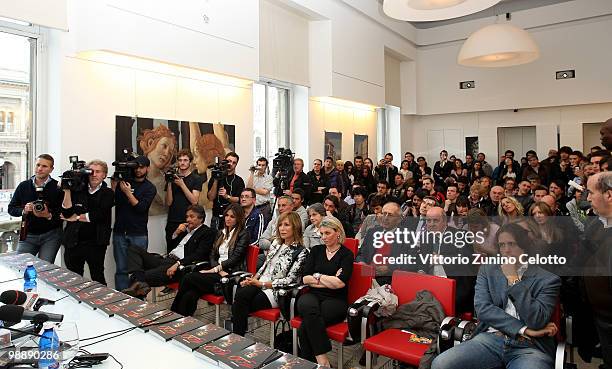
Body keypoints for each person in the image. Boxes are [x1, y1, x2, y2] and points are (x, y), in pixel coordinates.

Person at [431, 223, 562, 369]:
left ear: (524, 246)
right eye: (502, 245)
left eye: (511, 244)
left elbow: (536, 320)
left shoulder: (548, 279)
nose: (506, 250)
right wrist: (523, 329)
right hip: (490, 339)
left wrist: (514, 280)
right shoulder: (488, 270)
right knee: (441, 364)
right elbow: (483, 309)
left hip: (530, 347)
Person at [231, 212, 308, 336]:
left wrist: (261, 283)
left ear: (296, 227)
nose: (282, 228)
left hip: (277, 291)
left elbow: (290, 281)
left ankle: (237, 337)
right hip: (260, 282)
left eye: (286, 225)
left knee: (240, 305)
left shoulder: (301, 252)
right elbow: (265, 266)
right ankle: (238, 336)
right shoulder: (276, 244)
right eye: (280, 225)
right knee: (241, 294)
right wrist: (252, 279)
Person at [171, 203, 249, 316]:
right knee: (191, 293)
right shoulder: (221, 233)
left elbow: (235, 258)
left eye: (232, 216)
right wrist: (216, 268)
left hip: (229, 275)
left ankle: (174, 314)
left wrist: (217, 269)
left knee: (188, 278)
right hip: (217, 271)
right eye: (227, 215)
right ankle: (182, 320)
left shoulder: (243, 234)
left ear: (239, 218)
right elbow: (212, 254)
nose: (228, 218)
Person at [122, 205, 217, 297]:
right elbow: (170, 246)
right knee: (133, 249)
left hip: (177, 265)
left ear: (201, 218)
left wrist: (178, 264)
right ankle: (140, 282)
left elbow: (199, 254)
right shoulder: (185, 231)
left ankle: (138, 291)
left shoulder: (207, 232)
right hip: (165, 259)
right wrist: (177, 232)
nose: (188, 220)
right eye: (187, 217)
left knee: (137, 278)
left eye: (192, 217)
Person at [297, 216, 354, 366]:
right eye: (321, 234)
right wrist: (328, 280)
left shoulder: (346, 254)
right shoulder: (316, 251)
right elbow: (305, 279)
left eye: (327, 233)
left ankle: (310, 363)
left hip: (336, 300)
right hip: (312, 295)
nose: (323, 237)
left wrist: (317, 276)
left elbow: (340, 284)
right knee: (309, 309)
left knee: (305, 326)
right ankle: (322, 361)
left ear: (338, 233)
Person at [61, 159, 114, 284]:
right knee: (73, 278)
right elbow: (67, 213)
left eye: (98, 172)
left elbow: (99, 214)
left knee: (97, 276)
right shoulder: (78, 190)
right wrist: (67, 189)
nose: (94, 174)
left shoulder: (108, 193)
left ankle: (101, 303)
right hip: (74, 241)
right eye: (91, 171)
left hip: (96, 243)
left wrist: (78, 217)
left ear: (104, 175)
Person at [111, 155, 157, 290]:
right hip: (120, 231)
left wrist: (128, 192)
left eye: (141, 167)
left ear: (147, 168)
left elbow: (140, 208)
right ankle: (121, 297)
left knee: (138, 270)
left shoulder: (150, 188)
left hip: (138, 233)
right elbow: (116, 202)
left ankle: (138, 298)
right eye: (136, 167)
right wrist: (116, 187)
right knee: (121, 269)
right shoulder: (123, 183)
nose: (138, 170)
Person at [8, 154, 63, 263]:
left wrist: (48, 215)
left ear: (51, 169)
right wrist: (24, 210)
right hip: (28, 235)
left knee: (45, 270)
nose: (40, 169)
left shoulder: (58, 187)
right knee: (20, 266)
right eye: (38, 165)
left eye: (44, 166)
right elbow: (11, 209)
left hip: (51, 236)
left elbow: (64, 214)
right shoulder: (23, 186)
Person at [583, 172, 612, 369]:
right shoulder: (596, 225)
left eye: (591, 192)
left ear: (609, 195)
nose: (587, 198)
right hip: (601, 318)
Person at [165, 149, 204, 253]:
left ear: (190, 162)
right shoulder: (172, 177)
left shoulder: (196, 179)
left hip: (188, 222)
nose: (182, 162)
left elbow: (194, 201)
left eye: (185, 160)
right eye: (180, 160)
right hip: (172, 221)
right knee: (171, 251)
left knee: (186, 252)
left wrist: (182, 185)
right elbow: (168, 202)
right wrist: (169, 183)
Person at [138, 125, 177, 215]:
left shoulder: (165, 181)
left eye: (170, 152)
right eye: (164, 146)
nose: (166, 153)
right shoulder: (137, 176)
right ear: (150, 143)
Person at [207, 152, 245, 230]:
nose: (230, 164)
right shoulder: (215, 177)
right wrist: (216, 179)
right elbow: (210, 197)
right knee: (214, 239)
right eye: (229, 161)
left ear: (236, 165)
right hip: (216, 215)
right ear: (224, 161)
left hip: (231, 217)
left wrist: (227, 196)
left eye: (234, 163)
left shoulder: (239, 180)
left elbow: (239, 199)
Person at [246, 157, 274, 228]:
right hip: (253, 207)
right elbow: (248, 189)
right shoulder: (252, 177)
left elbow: (265, 192)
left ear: (266, 166)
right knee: (252, 227)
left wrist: (253, 189)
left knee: (264, 227)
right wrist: (252, 172)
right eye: (259, 165)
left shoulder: (269, 178)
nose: (261, 167)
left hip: (264, 207)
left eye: (263, 165)